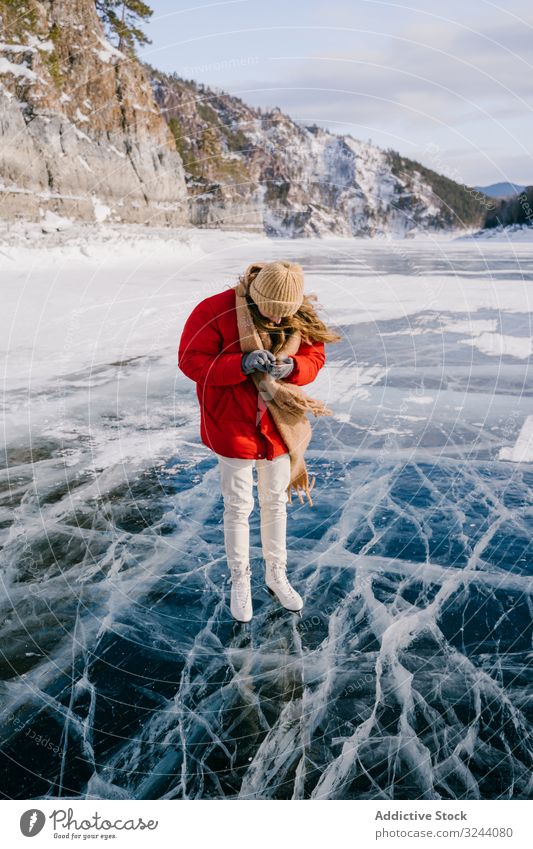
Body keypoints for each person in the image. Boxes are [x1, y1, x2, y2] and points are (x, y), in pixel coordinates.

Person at [177, 261, 341, 623]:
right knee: (238, 506)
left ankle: (275, 573)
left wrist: (294, 368)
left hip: (279, 425)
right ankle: (241, 578)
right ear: (255, 295)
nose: (281, 321)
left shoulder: (298, 312)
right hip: (232, 425)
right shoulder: (214, 311)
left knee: (275, 503)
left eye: (288, 314)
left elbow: (315, 355)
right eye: (272, 312)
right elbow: (191, 362)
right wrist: (241, 363)